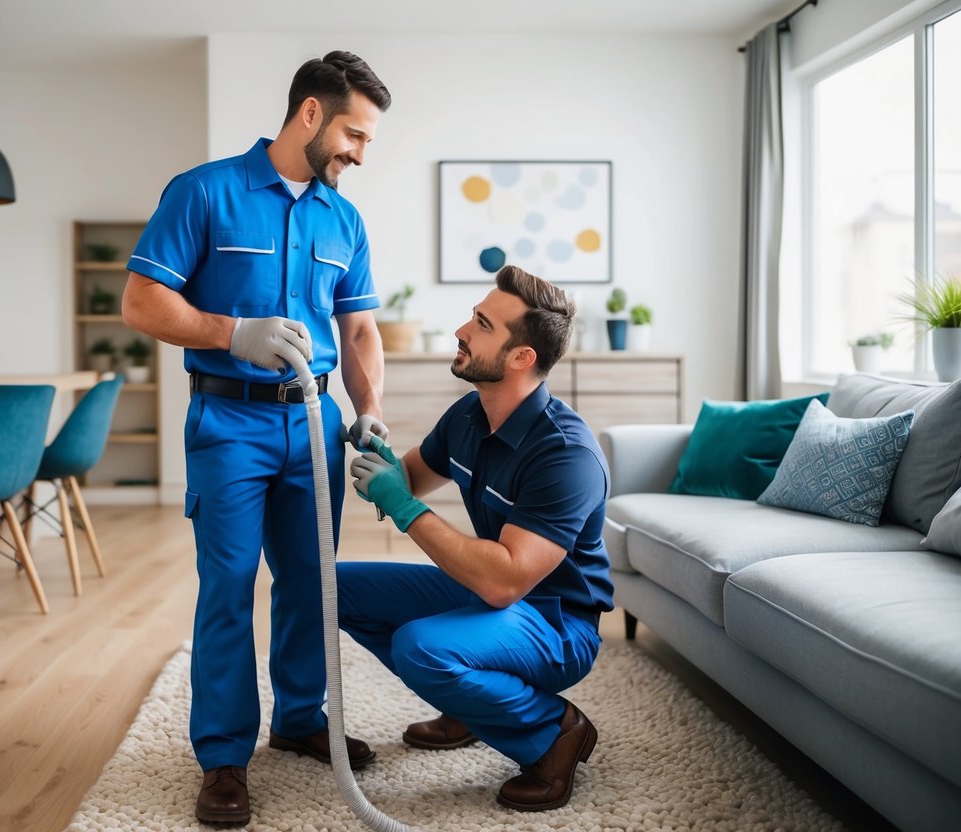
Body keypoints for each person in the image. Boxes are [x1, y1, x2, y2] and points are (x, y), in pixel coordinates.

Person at [121, 51, 392, 826]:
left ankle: (301, 717)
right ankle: (223, 756)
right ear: (309, 113)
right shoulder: (204, 192)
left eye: (367, 141)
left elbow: (361, 325)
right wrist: (229, 331)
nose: (359, 153)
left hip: (314, 423)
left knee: (312, 580)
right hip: (228, 423)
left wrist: (368, 406)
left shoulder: (343, 219)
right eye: (353, 134)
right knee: (230, 586)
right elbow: (142, 303)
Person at [338, 265, 613, 812]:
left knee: (423, 647)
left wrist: (402, 504)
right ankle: (470, 704)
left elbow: (505, 579)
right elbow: (410, 478)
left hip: (557, 622)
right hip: (487, 596)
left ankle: (553, 732)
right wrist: (381, 456)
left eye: (482, 324)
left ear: (521, 358)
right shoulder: (471, 413)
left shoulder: (565, 455)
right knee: (335, 587)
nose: (462, 329)